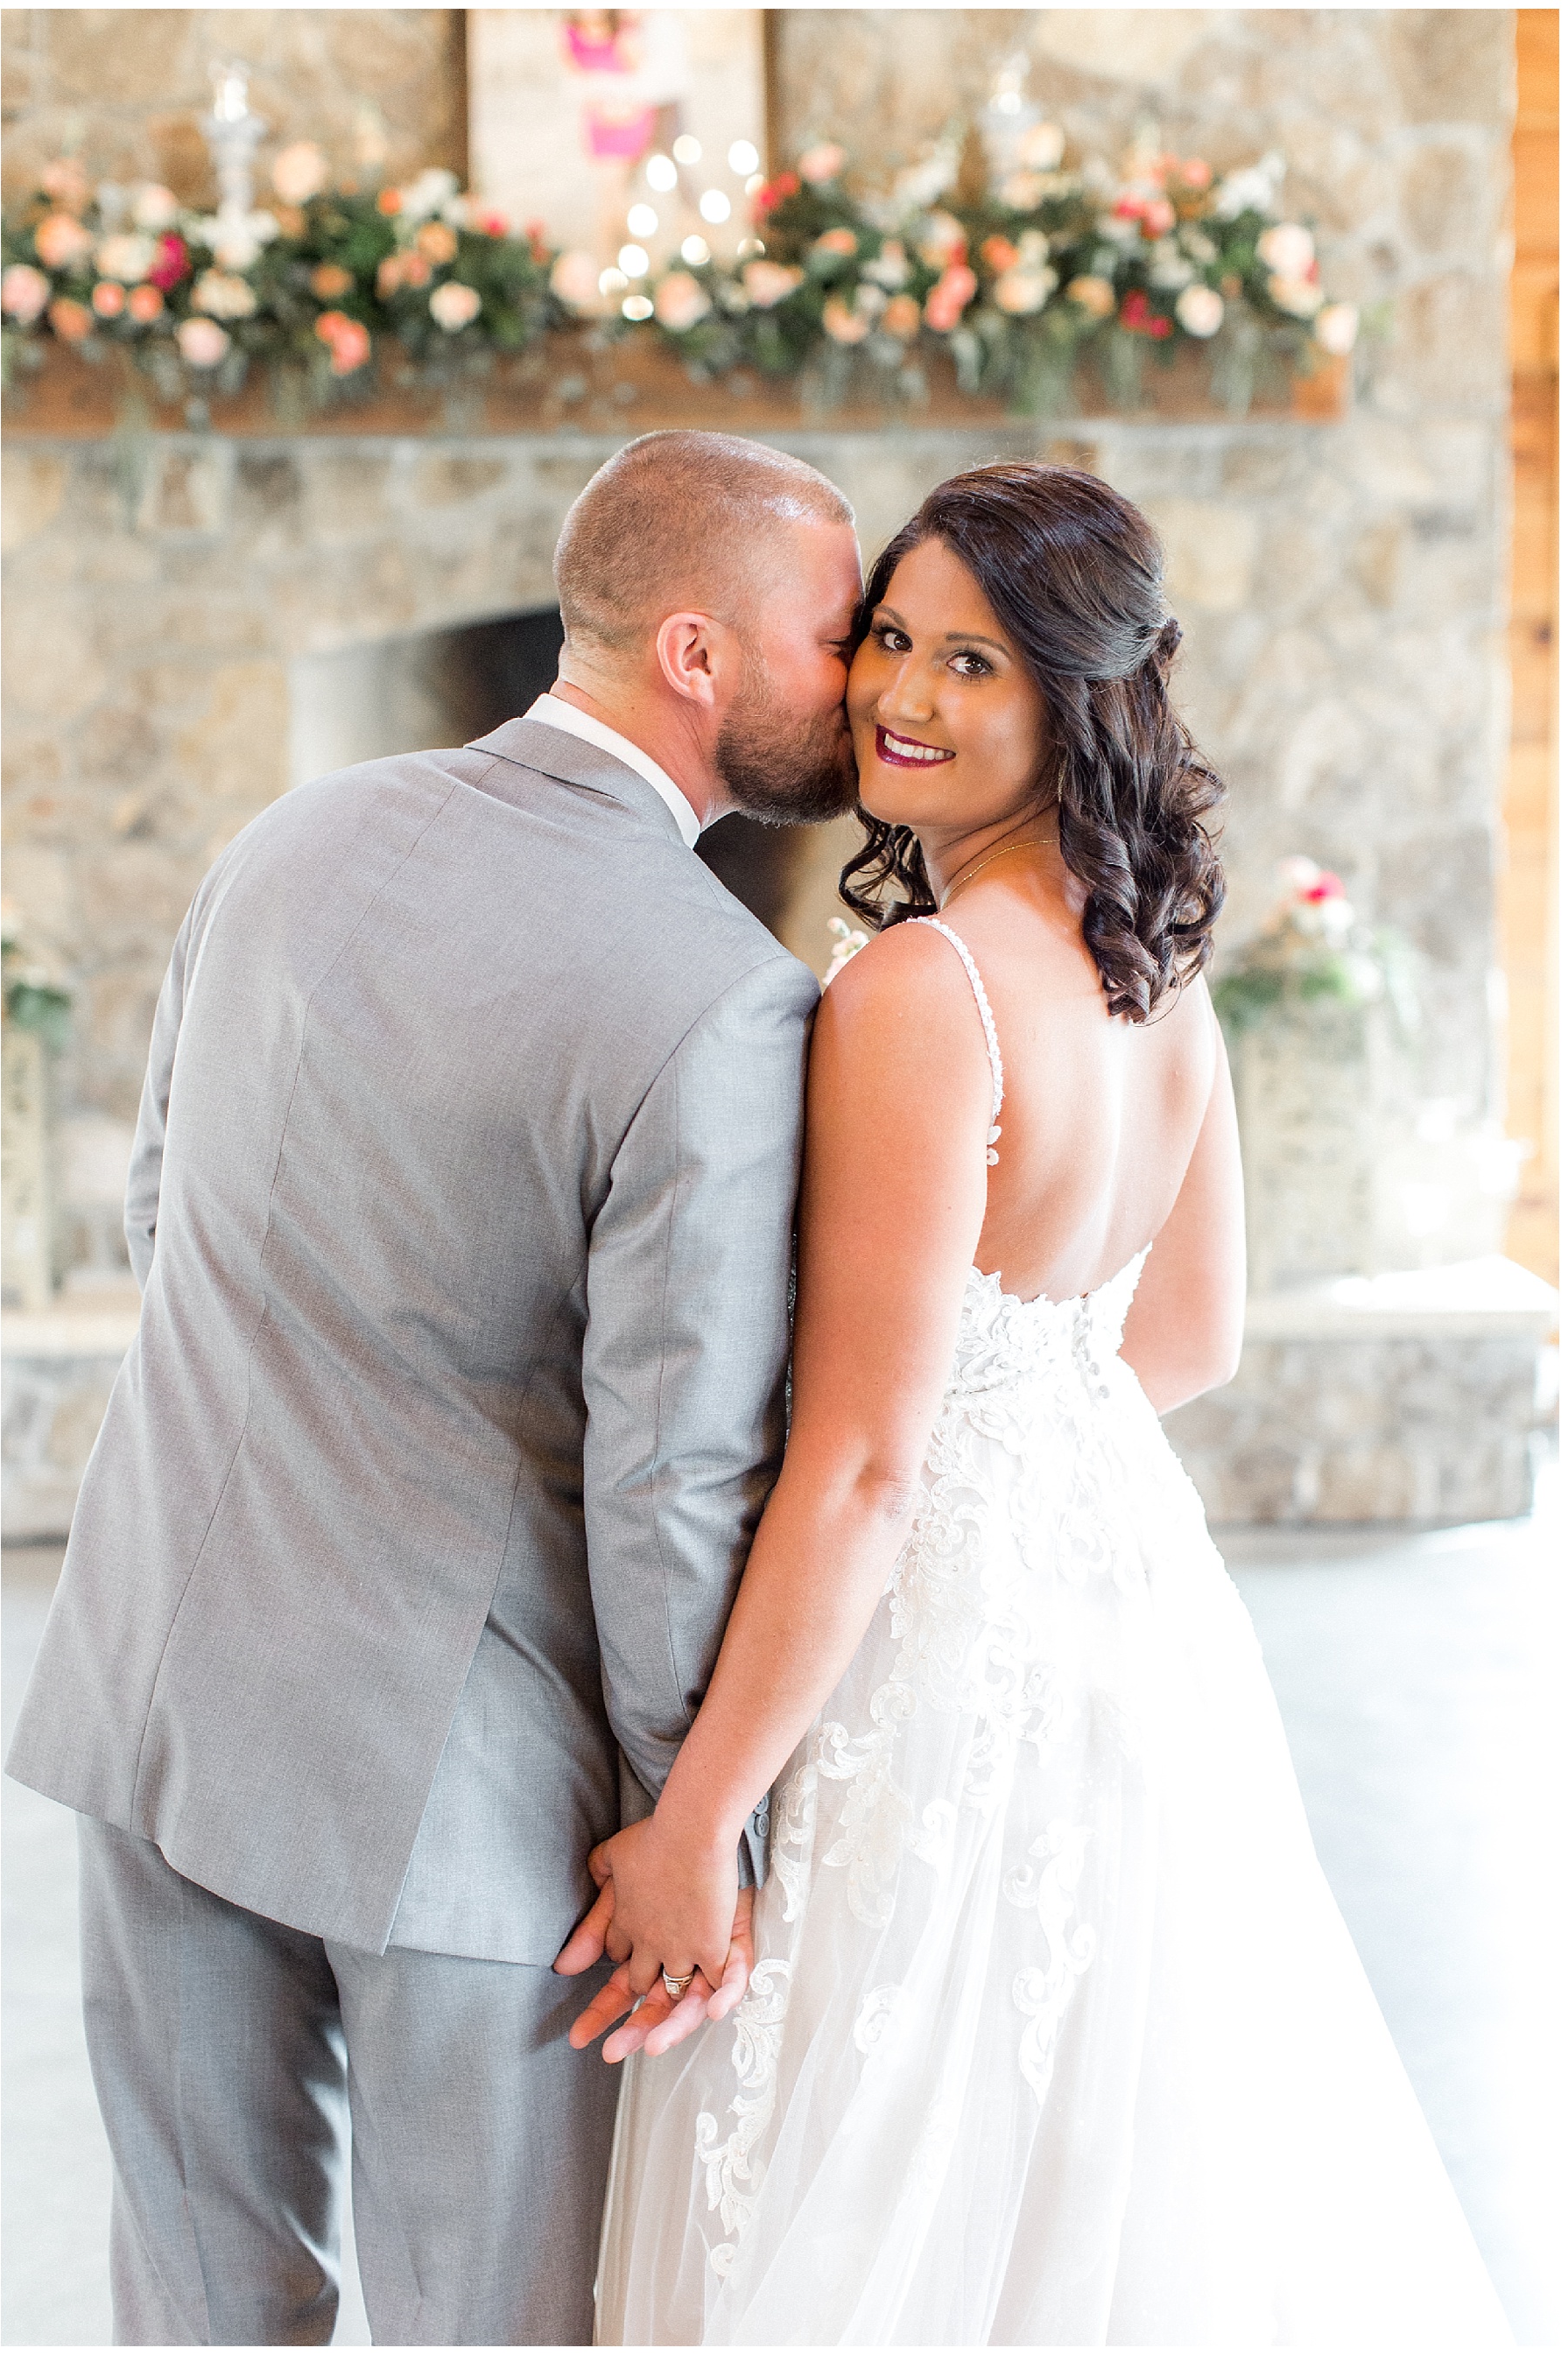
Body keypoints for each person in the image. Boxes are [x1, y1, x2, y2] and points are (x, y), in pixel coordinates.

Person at [566, 462, 1515, 2346]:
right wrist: (1037, 1440)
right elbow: (1191, 1333)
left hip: (930, 1649)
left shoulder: (922, 986)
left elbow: (857, 1465)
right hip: (1120, 1625)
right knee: (1096, 2153)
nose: (902, 696)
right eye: (890, 639)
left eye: (971, 662)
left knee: (899, 2151)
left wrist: (696, 1823)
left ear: (1076, 695)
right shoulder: (1159, 976)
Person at [4, 429, 862, 2346]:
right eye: (836, 630)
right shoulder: (720, 998)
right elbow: (672, 1474)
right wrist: (680, 1822)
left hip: (155, 1691)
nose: (867, 669)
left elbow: (166, 1209)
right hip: (457, 1800)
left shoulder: (289, 834)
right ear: (704, 656)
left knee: (202, 2311)